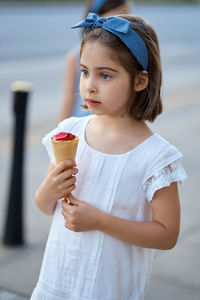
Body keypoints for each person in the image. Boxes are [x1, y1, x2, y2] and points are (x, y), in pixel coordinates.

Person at [31, 13, 187, 300]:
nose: (90, 85)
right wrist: (48, 190)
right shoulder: (69, 133)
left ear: (140, 81)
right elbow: (44, 205)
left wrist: (100, 221)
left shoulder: (156, 157)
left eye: (105, 75)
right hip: (57, 285)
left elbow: (167, 235)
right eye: (85, 71)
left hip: (111, 291)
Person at [59, 0, 130, 121]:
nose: (122, 24)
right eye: (116, 17)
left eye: (126, 17)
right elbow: (68, 98)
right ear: (98, 16)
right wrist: (62, 131)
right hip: (82, 122)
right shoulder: (76, 55)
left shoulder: (126, 55)